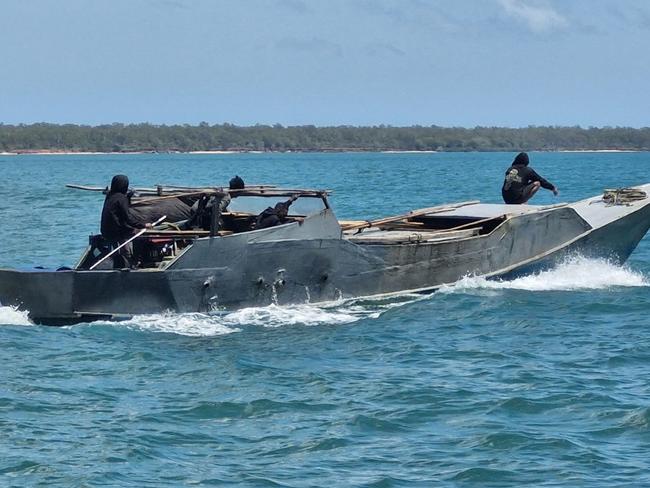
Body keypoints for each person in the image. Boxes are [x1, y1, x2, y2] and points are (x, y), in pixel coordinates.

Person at [100, 175, 146, 268]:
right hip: (117, 231)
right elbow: (128, 218)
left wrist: (128, 197)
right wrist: (143, 225)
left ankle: (121, 260)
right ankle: (134, 261)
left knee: (119, 244)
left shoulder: (109, 196)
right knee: (139, 235)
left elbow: (120, 209)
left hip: (105, 230)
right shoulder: (121, 198)